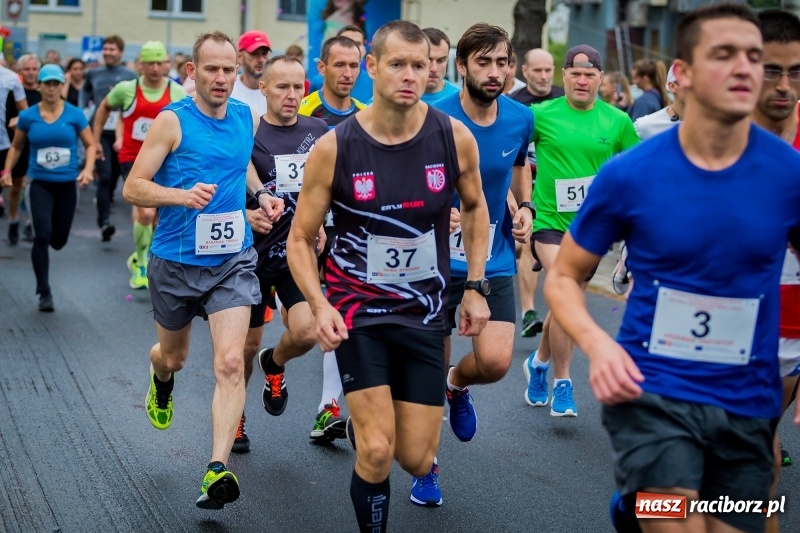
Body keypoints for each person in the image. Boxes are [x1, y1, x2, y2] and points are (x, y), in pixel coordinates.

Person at [544, 5, 800, 533]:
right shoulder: (631, 174)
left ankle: (634, 508)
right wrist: (600, 345)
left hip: (746, 396)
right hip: (652, 387)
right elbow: (565, 275)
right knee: (680, 521)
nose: (745, 69)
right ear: (681, 72)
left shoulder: (786, 173)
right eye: (724, 55)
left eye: (754, 57)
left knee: (739, 520)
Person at [286, 20, 490, 532]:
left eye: (420, 65)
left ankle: (370, 418)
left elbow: (476, 209)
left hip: (424, 314)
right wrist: (319, 304)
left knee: (417, 458)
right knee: (377, 451)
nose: (409, 75)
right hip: (359, 313)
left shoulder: (453, 137)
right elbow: (298, 240)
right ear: (372, 66)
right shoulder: (335, 147)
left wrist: (476, 287)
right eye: (397, 64)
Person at [121, 31, 284, 510]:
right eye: (210, 69)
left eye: (228, 69)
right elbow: (134, 187)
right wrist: (180, 195)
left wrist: (261, 195)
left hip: (232, 260)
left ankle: (216, 468)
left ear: (238, 72)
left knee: (232, 362)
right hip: (175, 260)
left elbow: (241, 169)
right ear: (191, 72)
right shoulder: (171, 122)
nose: (220, 78)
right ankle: (161, 378)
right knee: (173, 357)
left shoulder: (244, 117)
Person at [425, 22, 533, 506]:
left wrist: (524, 206)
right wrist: (434, 207)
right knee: (427, 368)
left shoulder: (519, 118)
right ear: (462, 66)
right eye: (484, 62)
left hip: (494, 256)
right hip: (431, 259)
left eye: (503, 62)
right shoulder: (434, 117)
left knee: (494, 361)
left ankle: (457, 385)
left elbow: (514, 169)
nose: (495, 72)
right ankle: (425, 467)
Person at [522, 44, 639, 416]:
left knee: (565, 303)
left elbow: (635, 171)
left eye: (590, 74)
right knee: (566, 288)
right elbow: (508, 156)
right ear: (565, 76)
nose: (582, 80)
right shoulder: (540, 114)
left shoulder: (617, 122)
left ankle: (538, 362)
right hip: (549, 225)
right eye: (575, 73)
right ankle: (563, 383)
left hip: (592, 230)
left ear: (601, 78)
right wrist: (518, 202)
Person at [235, 55, 331, 454]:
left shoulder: (318, 130)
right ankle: (235, 415)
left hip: (297, 252)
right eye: (282, 87)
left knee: (308, 331)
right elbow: (226, 181)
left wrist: (321, 221)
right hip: (252, 257)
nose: (292, 95)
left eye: (298, 87)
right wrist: (245, 213)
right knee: (243, 346)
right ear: (264, 88)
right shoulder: (247, 129)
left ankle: (275, 364)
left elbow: (323, 186)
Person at [297, 34, 366, 442]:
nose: (347, 73)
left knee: (346, 311)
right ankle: (326, 402)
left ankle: (330, 407)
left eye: (354, 65)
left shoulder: (365, 114)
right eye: (339, 65)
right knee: (328, 313)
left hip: (352, 228)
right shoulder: (305, 110)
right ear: (321, 67)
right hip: (310, 227)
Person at [750, 10, 800, 532]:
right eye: (771, 69)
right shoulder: (709, 142)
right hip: (712, 333)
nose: (785, 86)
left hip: (791, 333)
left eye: (797, 71)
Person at [92, 41, 187, 290]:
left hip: (164, 160)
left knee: (158, 215)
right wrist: (95, 140)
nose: (155, 68)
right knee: (145, 210)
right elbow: (103, 109)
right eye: (150, 63)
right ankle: (141, 261)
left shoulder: (176, 92)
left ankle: (149, 256)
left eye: (159, 63)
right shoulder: (127, 89)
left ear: (166, 64)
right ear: (140, 65)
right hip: (132, 158)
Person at [0, 65, 96, 311]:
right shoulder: (28, 116)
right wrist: (7, 170)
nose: (52, 88)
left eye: (56, 83)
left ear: (60, 86)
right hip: (39, 184)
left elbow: (90, 144)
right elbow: (17, 147)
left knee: (59, 240)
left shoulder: (74, 114)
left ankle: (52, 244)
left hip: (66, 185)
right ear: (40, 86)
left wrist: (86, 170)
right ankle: (44, 291)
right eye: (47, 83)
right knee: (41, 235)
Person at [611, 63, 684, 297]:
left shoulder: (714, 127)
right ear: (672, 86)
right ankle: (629, 257)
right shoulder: (646, 126)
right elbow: (624, 167)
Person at [509, 47, 564, 338]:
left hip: (560, 189)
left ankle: (559, 308)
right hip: (527, 186)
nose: (544, 76)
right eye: (538, 70)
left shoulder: (564, 99)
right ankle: (529, 311)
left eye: (548, 70)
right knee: (530, 244)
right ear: (525, 71)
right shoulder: (515, 105)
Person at [81, 35, 137, 242]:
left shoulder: (130, 75)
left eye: (112, 49)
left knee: (115, 175)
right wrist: (83, 111)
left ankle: (112, 200)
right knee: (104, 176)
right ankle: (104, 222)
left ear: (121, 53)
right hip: (101, 131)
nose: (108, 53)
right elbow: (85, 93)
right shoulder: (93, 73)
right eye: (105, 49)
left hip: (124, 132)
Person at [5, 54, 42, 245]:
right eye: (27, 69)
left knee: (33, 187)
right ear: (20, 72)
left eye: (34, 69)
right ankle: (13, 220)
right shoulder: (13, 91)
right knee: (15, 187)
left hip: (38, 145)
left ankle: (30, 223)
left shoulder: (45, 92)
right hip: (18, 144)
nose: (31, 73)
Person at [0, 61, 28, 240]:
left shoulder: (11, 79)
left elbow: (25, 112)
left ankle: (13, 219)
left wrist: (18, 120)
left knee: (15, 187)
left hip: (4, 144)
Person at [232, 30, 271, 115]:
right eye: (254, 54)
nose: (261, 59)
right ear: (240, 57)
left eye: (264, 53)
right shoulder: (229, 90)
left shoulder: (276, 91)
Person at [420, 27, 460, 105]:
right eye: (428, 59)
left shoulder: (460, 99)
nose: (434, 69)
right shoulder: (400, 96)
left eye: (440, 61)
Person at [336, 25, 373, 103]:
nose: (352, 48)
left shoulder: (376, 83)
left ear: (364, 49)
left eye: (358, 43)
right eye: (346, 42)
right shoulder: (318, 82)